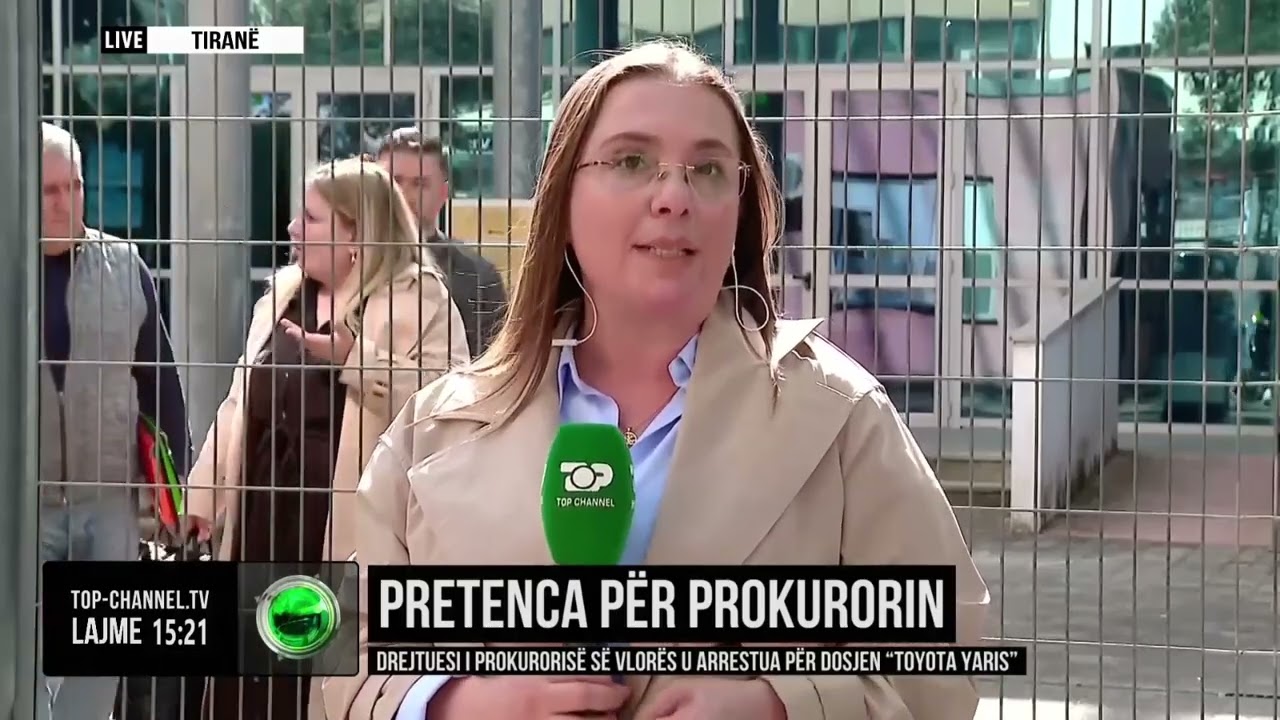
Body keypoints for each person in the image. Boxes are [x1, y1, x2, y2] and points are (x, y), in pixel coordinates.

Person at [324, 41, 989, 720]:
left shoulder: (841, 416)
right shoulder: (435, 428)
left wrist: (780, 704)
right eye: (631, 161)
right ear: (563, 199)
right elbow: (345, 648)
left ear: (740, 208)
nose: (674, 197)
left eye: (708, 169)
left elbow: (942, 658)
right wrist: (455, 703)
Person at [184, 156, 469, 720]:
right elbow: (241, 398)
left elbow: (450, 401)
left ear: (356, 235)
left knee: (324, 676)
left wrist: (357, 360)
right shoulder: (282, 296)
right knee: (253, 678)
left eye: (311, 219)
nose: (293, 228)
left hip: (343, 524)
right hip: (264, 518)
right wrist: (203, 494)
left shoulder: (421, 299)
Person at [37, 121, 192, 720]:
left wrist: (177, 491)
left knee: (98, 660)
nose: (65, 202)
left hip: (108, 499)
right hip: (21, 504)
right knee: (21, 660)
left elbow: (160, 383)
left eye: (74, 186)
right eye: (50, 190)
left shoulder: (124, 266)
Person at [376, 127, 509, 356]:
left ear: (443, 193)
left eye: (420, 183)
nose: (404, 195)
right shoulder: (344, 262)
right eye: (394, 181)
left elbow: (490, 365)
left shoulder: (478, 277)